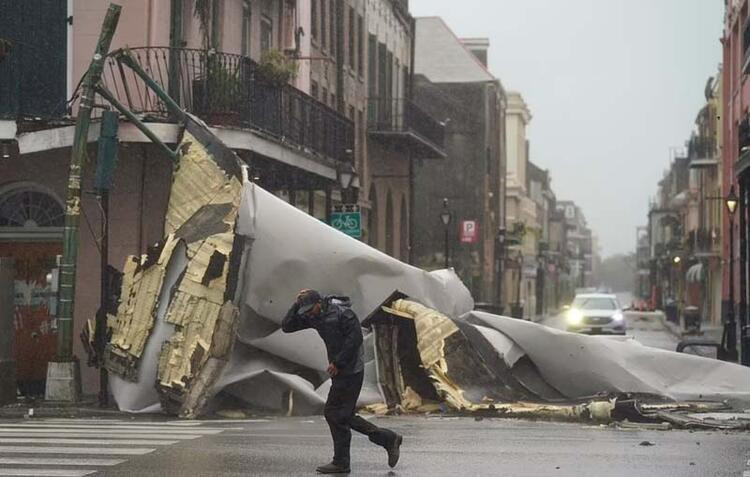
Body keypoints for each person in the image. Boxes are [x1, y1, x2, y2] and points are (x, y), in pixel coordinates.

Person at [282, 289, 403, 474]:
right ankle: (386, 439)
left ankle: (343, 461)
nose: (308, 314)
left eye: (309, 309)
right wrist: (297, 304)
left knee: (336, 413)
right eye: (305, 311)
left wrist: (338, 362)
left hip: (352, 369)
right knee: (339, 414)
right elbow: (287, 326)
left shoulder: (343, 313)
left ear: (319, 303)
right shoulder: (314, 316)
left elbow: (355, 340)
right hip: (340, 370)